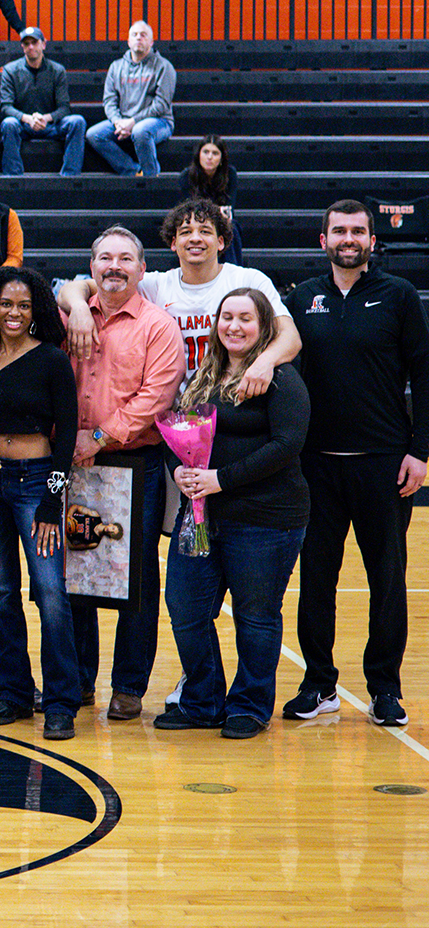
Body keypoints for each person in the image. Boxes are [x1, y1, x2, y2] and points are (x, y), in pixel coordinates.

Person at [284, 200, 429, 729]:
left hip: (384, 464)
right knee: (317, 580)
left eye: (358, 230)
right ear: (322, 240)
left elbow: (425, 374)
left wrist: (421, 450)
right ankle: (319, 684)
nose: (349, 238)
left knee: (387, 580)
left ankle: (385, 690)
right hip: (315, 465)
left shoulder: (399, 297)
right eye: (339, 230)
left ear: (372, 239)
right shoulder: (301, 298)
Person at [157, 290, 310, 739]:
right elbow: (178, 435)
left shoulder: (280, 377)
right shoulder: (202, 377)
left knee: (256, 616)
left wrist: (221, 479)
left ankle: (249, 706)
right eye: (227, 317)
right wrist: (181, 474)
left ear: (263, 327)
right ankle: (203, 701)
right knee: (185, 609)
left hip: (266, 518)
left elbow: (287, 445)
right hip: (201, 516)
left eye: (246, 318)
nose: (234, 326)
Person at [66, 226, 184, 721]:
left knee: (134, 578)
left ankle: (130, 685)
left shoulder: (159, 325)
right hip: (70, 462)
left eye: (125, 259)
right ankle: (77, 680)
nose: (114, 266)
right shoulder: (68, 314)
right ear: (91, 268)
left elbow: (155, 398)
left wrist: (96, 439)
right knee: (76, 574)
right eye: (105, 258)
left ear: (141, 269)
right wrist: (73, 302)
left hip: (132, 461)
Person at [0, 267, 80, 740]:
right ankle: (14, 693)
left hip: (37, 483)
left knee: (50, 592)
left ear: (37, 312)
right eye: (7, 304)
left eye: (24, 305)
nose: (15, 313)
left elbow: (67, 433)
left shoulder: (52, 359)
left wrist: (54, 499)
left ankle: (60, 702)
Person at [61, 198, 296, 391]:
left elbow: (291, 337)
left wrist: (266, 361)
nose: (195, 238)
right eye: (186, 232)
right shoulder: (155, 284)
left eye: (205, 231)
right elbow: (73, 288)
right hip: (177, 413)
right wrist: (80, 307)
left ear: (221, 242)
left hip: (234, 401)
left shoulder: (249, 280)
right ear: (174, 243)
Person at [86, 20, 175, 177]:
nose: (138, 38)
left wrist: (133, 122)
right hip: (123, 121)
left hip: (159, 121)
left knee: (140, 132)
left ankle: (151, 177)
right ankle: (132, 171)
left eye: (143, 35)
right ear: (128, 41)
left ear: (151, 42)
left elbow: (161, 104)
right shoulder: (116, 66)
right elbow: (109, 101)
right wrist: (117, 122)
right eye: (134, 35)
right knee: (94, 134)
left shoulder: (164, 66)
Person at [0, 27, 84, 177]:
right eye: (27, 43)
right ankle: (13, 176)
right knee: (8, 123)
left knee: (77, 121)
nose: (31, 47)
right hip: (22, 125)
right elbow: (6, 107)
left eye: (34, 42)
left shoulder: (57, 70)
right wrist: (28, 119)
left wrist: (46, 118)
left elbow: (64, 108)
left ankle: (70, 175)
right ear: (22, 47)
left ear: (43, 44)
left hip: (50, 124)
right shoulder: (10, 70)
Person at [180, 134, 242, 264]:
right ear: (199, 155)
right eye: (206, 152)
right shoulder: (187, 176)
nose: (209, 157)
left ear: (221, 158)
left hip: (223, 221)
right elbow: (189, 208)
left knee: (232, 227)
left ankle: (234, 271)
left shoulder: (230, 174)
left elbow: (229, 209)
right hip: (195, 221)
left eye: (215, 153)